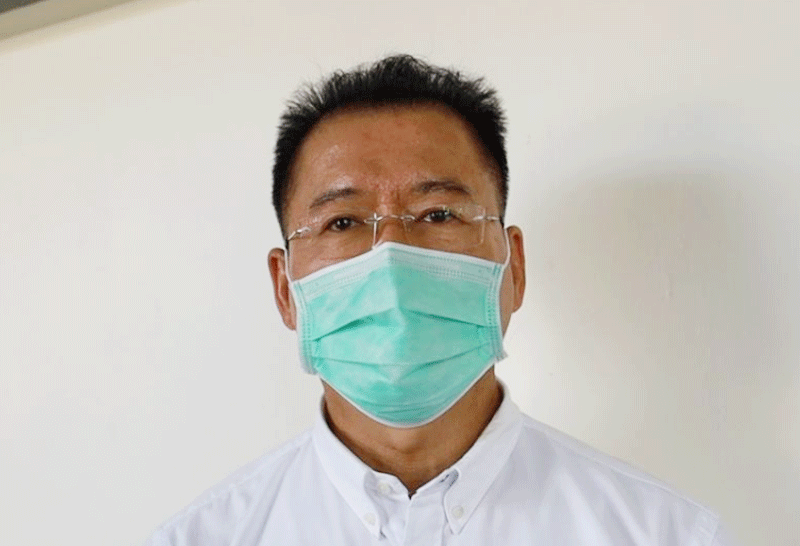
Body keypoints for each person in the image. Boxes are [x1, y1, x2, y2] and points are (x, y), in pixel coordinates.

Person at [146, 54, 734, 545]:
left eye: (438, 214)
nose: (392, 258)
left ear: (513, 268)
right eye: (343, 222)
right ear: (285, 290)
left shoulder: (668, 534)